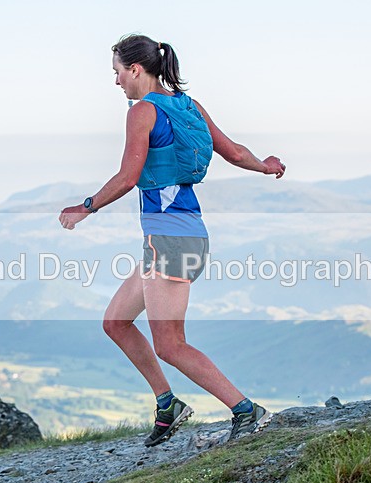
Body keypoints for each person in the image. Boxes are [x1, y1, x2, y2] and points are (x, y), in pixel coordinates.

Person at [59, 34, 285, 447]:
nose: (115, 83)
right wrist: (265, 166)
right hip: (179, 236)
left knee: (170, 344)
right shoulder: (189, 106)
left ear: (136, 70)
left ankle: (246, 410)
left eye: (116, 73)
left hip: (172, 242)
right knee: (115, 322)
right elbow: (234, 152)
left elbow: (128, 177)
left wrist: (85, 206)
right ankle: (168, 404)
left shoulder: (142, 112)